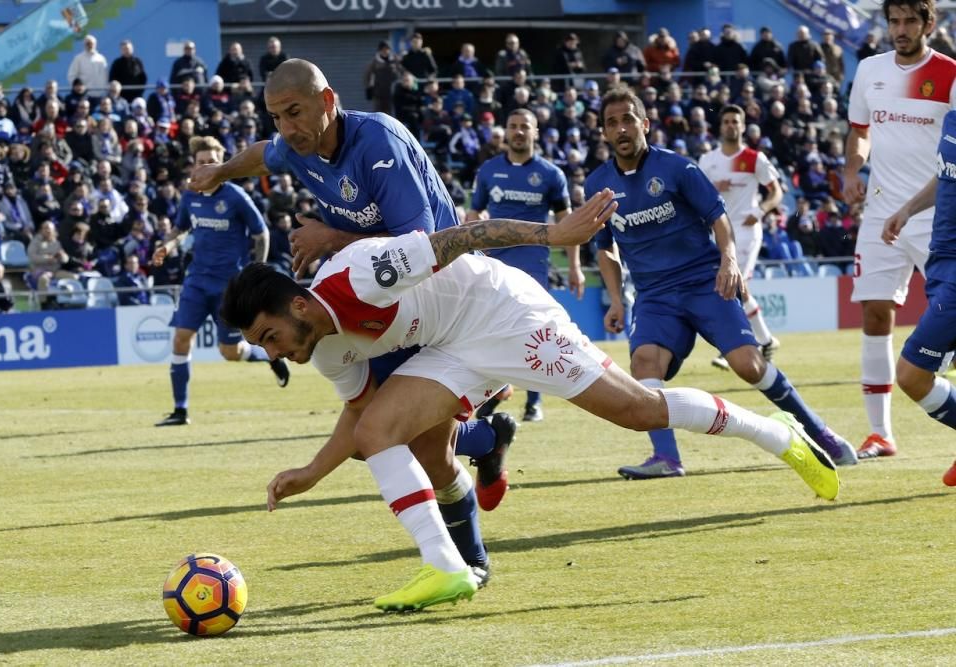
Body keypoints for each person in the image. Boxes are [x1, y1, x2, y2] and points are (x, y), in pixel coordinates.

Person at [219, 190, 841, 612]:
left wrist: (554, 233)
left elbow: (464, 236)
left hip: (505, 315)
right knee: (379, 432)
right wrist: (308, 473)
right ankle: (446, 567)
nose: (272, 353)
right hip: (453, 347)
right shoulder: (325, 350)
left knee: (638, 411)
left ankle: (775, 433)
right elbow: (358, 416)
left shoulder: (359, 273)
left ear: (297, 304)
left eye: (269, 337)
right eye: (260, 347)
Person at [187, 57, 518, 556]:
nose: (286, 128)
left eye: (294, 113)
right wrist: (221, 171)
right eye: (276, 117)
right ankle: (483, 443)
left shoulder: (378, 143)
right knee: (382, 436)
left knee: (406, 441)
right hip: (377, 305)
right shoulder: (296, 147)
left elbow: (419, 243)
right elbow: (264, 155)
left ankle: (468, 555)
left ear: (327, 101)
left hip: (435, 300)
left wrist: (333, 236)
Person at [586, 89, 856, 480]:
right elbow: (604, 247)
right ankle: (667, 458)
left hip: (704, 282)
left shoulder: (678, 168)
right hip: (655, 296)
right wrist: (615, 299)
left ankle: (820, 432)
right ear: (605, 133)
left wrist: (728, 260)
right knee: (644, 363)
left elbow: (719, 218)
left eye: (628, 119)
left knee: (748, 366)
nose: (621, 128)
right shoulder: (598, 183)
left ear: (645, 125)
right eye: (612, 123)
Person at [843, 0, 956, 459]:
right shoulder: (869, 70)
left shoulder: (949, 74)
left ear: (929, 23)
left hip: (937, 216)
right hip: (880, 210)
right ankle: (880, 433)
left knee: (948, 324)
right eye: (894, 21)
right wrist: (853, 170)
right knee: (873, 312)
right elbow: (860, 131)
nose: (901, 29)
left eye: (911, 20)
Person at [151, 135, 290, 427]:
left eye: (212, 161)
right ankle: (180, 410)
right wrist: (168, 245)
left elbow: (260, 233)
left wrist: (255, 271)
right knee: (180, 338)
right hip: (197, 281)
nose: (206, 166)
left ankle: (267, 356)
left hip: (230, 287)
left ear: (222, 162)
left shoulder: (235, 196)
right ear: (194, 165)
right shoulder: (189, 196)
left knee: (230, 352)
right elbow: (179, 229)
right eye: (202, 162)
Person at [467, 108, 580, 423]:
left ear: (535, 132)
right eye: (513, 126)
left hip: (533, 266)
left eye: (524, 127)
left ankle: (534, 401)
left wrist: (575, 266)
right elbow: (473, 215)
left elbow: (565, 223)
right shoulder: (489, 171)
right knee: (489, 332)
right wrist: (468, 251)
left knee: (535, 333)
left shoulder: (550, 175)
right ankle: (495, 391)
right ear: (505, 131)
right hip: (494, 266)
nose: (518, 132)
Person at [882, 110, 956, 486]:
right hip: (941, 260)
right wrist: (907, 210)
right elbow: (945, 175)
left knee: (911, 376)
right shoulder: (952, 121)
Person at [698, 105, 784, 370]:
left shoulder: (753, 158)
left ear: (743, 126)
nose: (731, 125)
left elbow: (776, 192)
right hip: (720, 230)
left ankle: (734, 346)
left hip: (746, 230)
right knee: (734, 288)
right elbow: (696, 195)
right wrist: (714, 188)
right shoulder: (708, 161)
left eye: (735, 121)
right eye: (726, 121)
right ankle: (766, 340)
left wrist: (759, 211)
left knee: (733, 285)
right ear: (720, 126)